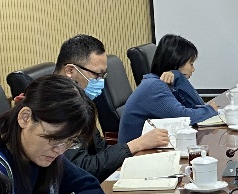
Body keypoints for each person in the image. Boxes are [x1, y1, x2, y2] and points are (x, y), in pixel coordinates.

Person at [53, 34, 170, 180]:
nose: (101, 82)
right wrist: (136, 145)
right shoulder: (55, 106)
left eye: (103, 75)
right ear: (70, 71)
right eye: (97, 75)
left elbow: (99, 149)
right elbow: (81, 169)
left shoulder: (78, 99)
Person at [117, 34, 219, 144]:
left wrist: (178, 77)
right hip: (136, 152)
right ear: (177, 61)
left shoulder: (165, 83)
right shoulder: (154, 87)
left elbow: (196, 105)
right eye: (191, 63)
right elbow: (184, 117)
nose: (193, 69)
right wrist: (209, 110)